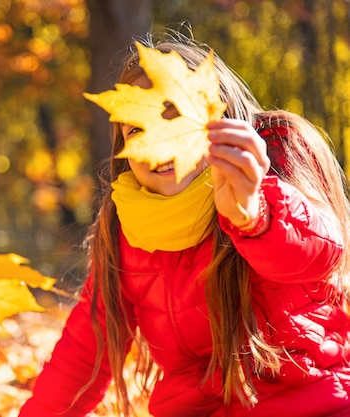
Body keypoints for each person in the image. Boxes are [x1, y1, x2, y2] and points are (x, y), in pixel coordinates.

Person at [19, 33, 350, 417]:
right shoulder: (130, 227)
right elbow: (83, 350)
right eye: (136, 129)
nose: (158, 143)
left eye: (173, 115)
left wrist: (252, 213)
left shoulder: (276, 163)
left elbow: (321, 252)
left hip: (313, 405)